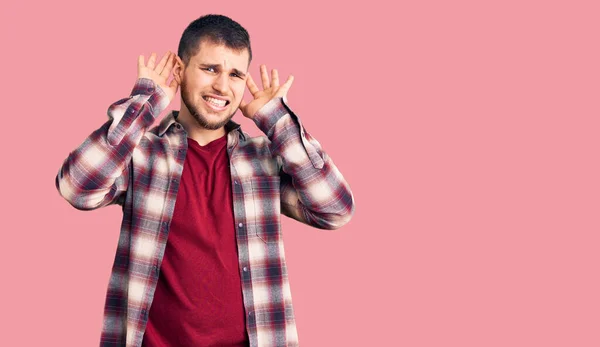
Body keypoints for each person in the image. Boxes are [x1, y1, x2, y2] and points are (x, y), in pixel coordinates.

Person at [55, 14, 355, 347]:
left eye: (236, 74)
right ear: (181, 71)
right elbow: (76, 187)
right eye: (210, 69)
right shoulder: (142, 154)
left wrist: (276, 120)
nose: (222, 86)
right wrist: (145, 102)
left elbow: (335, 210)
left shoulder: (264, 161)